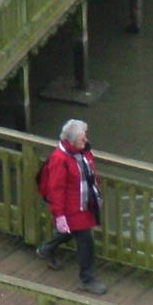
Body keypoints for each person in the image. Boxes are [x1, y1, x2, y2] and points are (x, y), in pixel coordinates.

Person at [37, 118, 106, 294]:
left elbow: (91, 174)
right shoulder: (60, 160)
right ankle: (87, 279)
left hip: (84, 203)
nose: (86, 140)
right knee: (86, 242)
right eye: (83, 138)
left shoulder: (82, 152)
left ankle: (46, 249)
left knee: (70, 232)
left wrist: (96, 193)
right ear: (72, 140)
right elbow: (56, 189)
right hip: (72, 208)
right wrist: (59, 215)